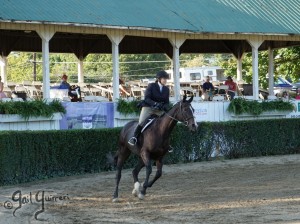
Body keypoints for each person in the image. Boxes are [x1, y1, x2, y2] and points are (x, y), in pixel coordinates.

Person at [128, 70, 170, 146]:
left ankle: (166, 143)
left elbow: (167, 102)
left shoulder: (166, 89)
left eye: (166, 79)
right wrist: (155, 103)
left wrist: (164, 106)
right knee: (141, 122)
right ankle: (134, 138)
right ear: (159, 79)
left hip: (159, 110)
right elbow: (147, 98)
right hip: (148, 108)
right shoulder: (151, 86)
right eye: (164, 79)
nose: (165, 81)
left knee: (166, 123)